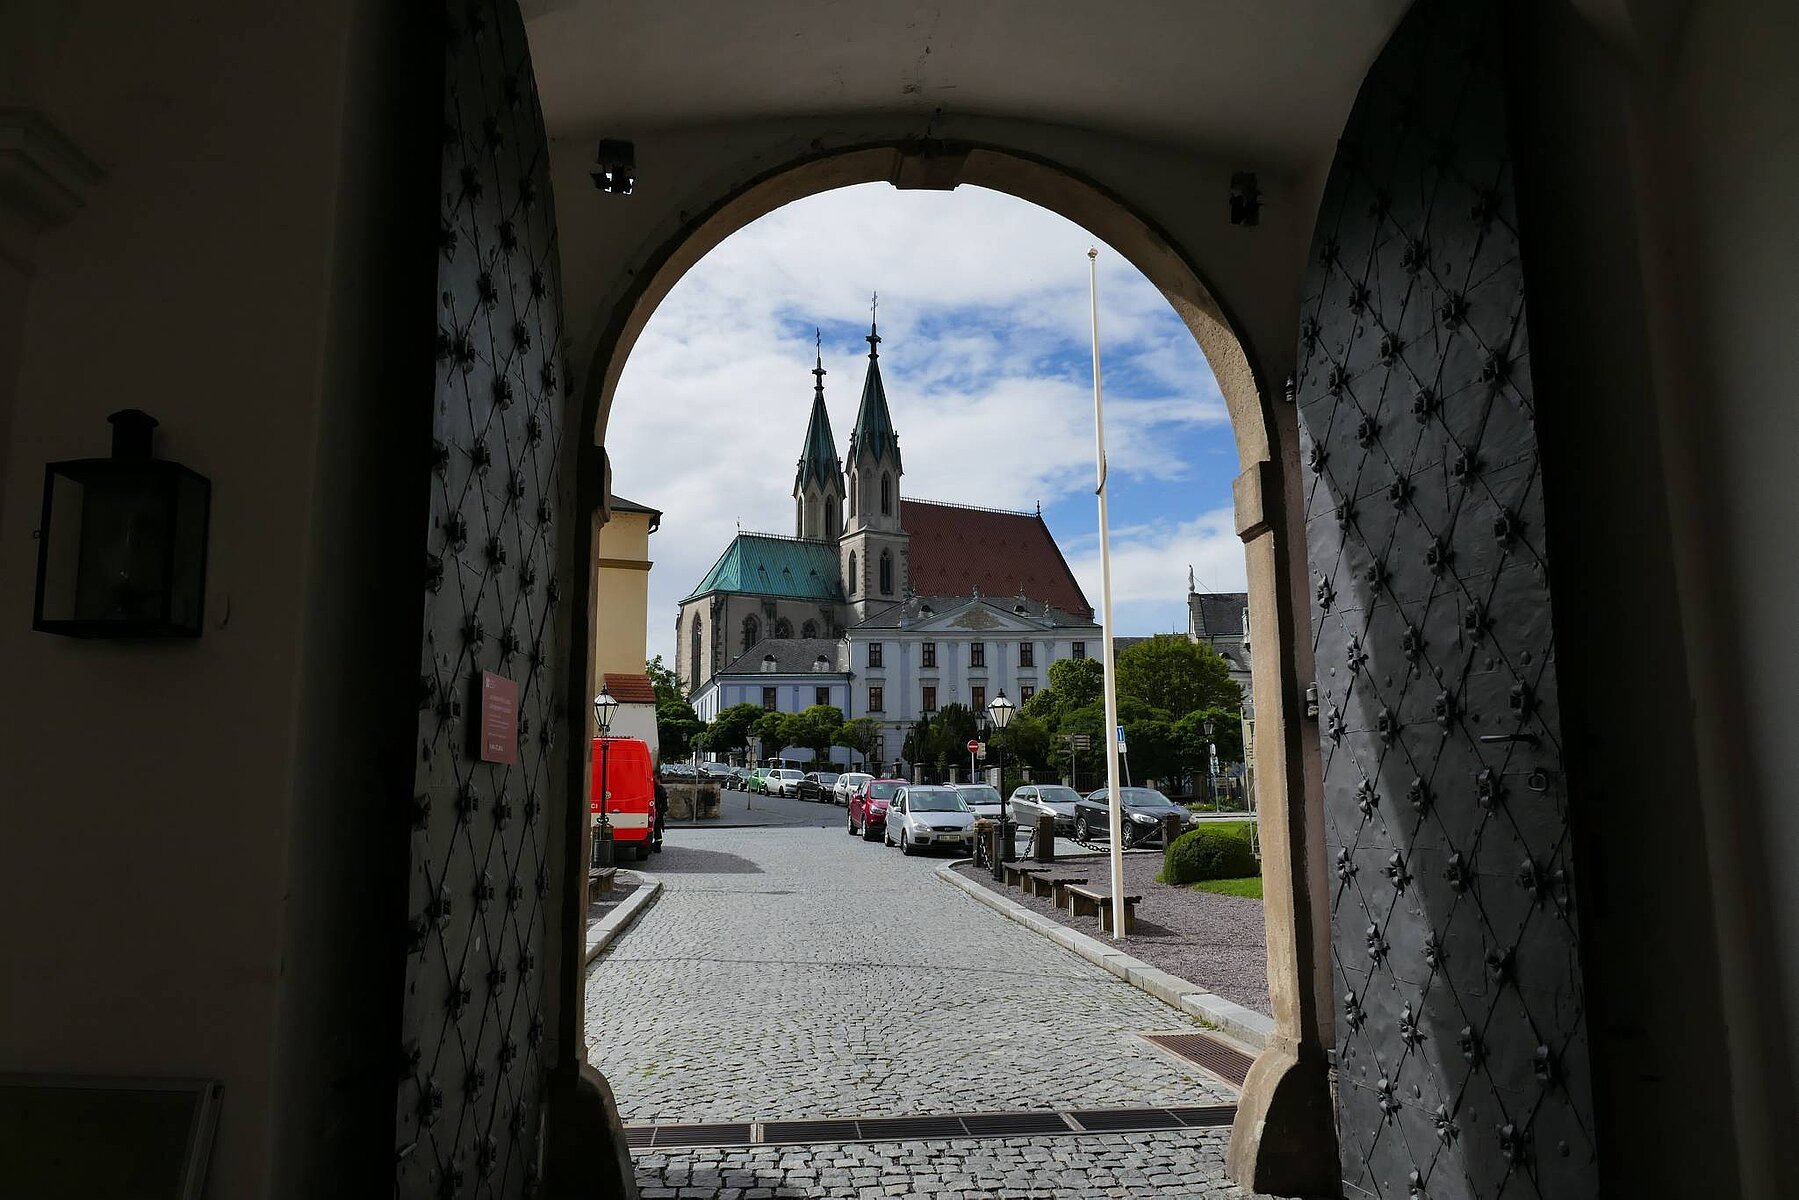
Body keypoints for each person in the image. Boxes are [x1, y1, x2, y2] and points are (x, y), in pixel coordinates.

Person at [651, 779, 667, 853]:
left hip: (657, 812)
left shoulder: (657, 789)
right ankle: (657, 845)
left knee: (656, 829)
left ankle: (657, 846)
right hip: (659, 812)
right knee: (657, 829)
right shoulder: (660, 789)